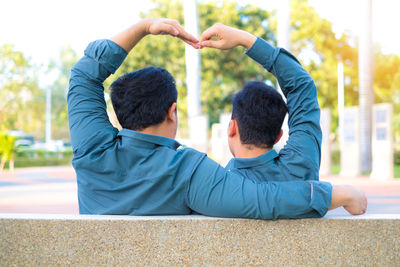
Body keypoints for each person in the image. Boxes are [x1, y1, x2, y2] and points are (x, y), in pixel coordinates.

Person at [68, 18, 367, 219]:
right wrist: (338, 193)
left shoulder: (92, 147)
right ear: (172, 112)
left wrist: (145, 27)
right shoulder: (189, 171)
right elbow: (264, 199)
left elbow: (84, 75)